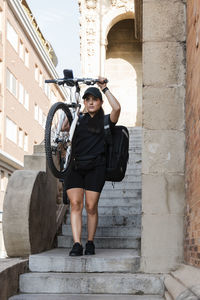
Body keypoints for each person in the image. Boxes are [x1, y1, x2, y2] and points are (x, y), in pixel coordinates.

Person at [64, 77, 121, 256]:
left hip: (96, 167)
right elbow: (65, 128)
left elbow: (117, 108)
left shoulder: (105, 120)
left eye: (94, 99)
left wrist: (104, 88)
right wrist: (74, 111)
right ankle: (76, 244)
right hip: (75, 166)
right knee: (75, 204)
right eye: (87, 99)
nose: (90, 102)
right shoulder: (78, 119)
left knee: (90, 206)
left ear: (100, 102)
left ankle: (89, 242)